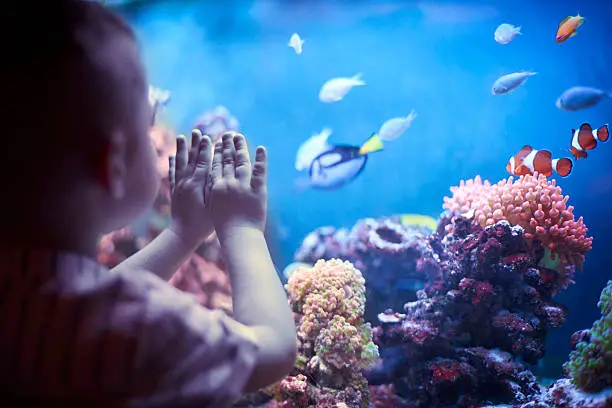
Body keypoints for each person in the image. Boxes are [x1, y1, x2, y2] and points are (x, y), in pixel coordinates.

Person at [0, 1, 296, 406]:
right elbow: (273, 349)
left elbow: (91, 294)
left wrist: (182, 236)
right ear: (114, 164)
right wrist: (242, 228)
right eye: (148, 120)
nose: (156, 131)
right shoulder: (143, 333)